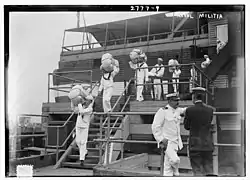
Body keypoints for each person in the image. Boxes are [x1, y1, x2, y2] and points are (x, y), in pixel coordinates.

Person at [152, 93, 187, 176]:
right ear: (170, 101)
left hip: (176, 142)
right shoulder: (163, 111)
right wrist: (160, 139)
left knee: (167, 166)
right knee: (175, 160)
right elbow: (155, 127)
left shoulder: (178, 110)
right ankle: (176, 171)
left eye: (178, 100)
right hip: (167, 142)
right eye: (175, 101)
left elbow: (186, 110)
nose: (177, 102)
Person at [184, 87, 215, 176]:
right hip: (207, 143)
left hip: (195, 144)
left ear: (194, 97)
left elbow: (186, 126)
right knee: (209, 168)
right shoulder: (211, 110)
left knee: (197, 168)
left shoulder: (189, 110)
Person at [72, 95, 94, 166]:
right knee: (77, 141)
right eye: (85, 100)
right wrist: (74, 101)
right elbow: (75, 110)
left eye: (87, 100)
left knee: (83, 142)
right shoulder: (82, 106)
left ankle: (82, 159)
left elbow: (81, 112)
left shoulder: (90, 109)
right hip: (78, 125)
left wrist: (79, 103)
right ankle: (85, 152)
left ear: (90, 101)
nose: (85, 101)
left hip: (84, 127)